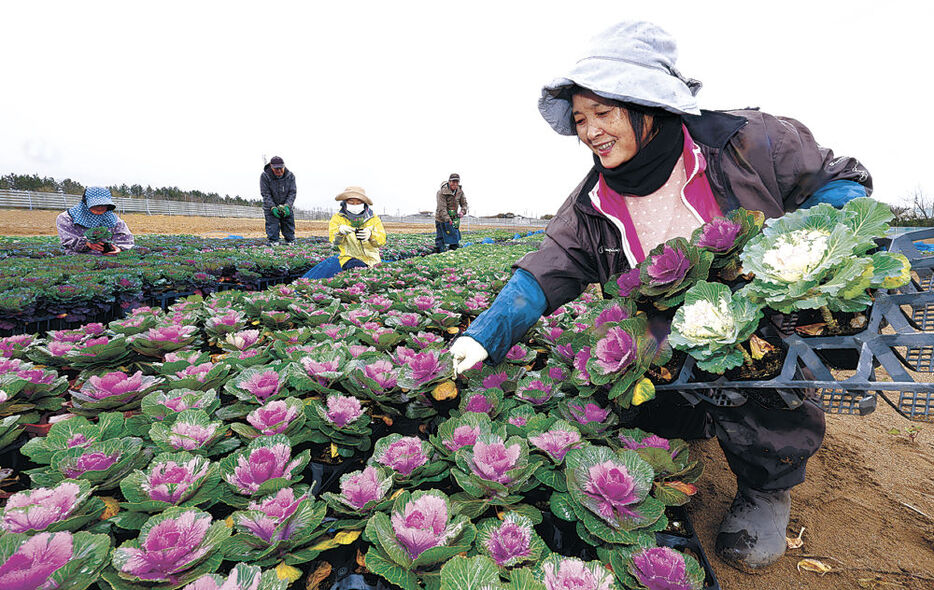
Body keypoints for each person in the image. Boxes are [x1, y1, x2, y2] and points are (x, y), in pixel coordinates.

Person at [449, 21, 871, 573]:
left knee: (763, 385)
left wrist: (812, 239)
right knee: (639, 389)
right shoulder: (592, 203)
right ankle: (693, 421)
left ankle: (766, 485)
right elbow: (541, 273)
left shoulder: (749, 142)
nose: (590, 130)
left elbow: (837, 181)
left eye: (604, 112)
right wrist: (483, 336)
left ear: (648, 105)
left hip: (766, 321)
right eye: (580, 117)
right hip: (670, 330)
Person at [302, 186, 387, 280]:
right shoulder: (338, 218)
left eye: (359, 202)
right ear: (345, 202)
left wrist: (371, 235)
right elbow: (334, 242)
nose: (355, 204)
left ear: (364, 203)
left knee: (376, 279)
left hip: (373, 260)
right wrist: (340, 233)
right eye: (351, 201)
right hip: (350, 259)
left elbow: (381, 241)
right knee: (358, 274)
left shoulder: (373, 218)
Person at [56, 187, 134, 255]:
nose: (99, 210)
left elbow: (125, 238)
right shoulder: (67, 217)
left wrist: (119, 248)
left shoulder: (113, 219)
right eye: (95, 206)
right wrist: (86, 243)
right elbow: (67, 240)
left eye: (103, 207)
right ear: (85, 203)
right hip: (79, 258)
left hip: (109, 257)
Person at [260, 155, 297, 245]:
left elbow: (292, 192)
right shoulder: (265, 176)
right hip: (271, 206)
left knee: (288, 223)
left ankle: (290, 240)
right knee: (272, 225)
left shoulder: (290, 176)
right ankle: (273, 241)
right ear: (271, 167)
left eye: (281, 168)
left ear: (284, 166)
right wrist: (272, 207)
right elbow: (266, 194)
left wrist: (287, 206)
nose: (279, 171)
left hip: (285, 205)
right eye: (276, 169)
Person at [434, 173, 468, 252]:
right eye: (453, 182)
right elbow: (442, 207)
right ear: (449, 182)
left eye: (457, 182)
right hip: (441, 218)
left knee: (454, 237)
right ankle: (439, 252)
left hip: (454, 218)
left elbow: (464, 204)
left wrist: (462, 212)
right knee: (441, 237)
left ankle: (454, 252)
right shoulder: (441, 192)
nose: (455, 184)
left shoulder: (460, 192)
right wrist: (447, 219)